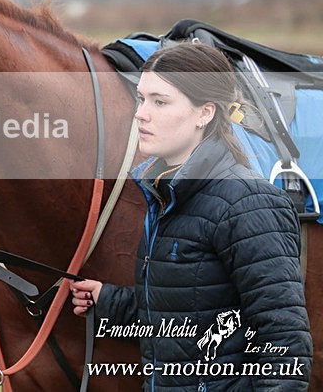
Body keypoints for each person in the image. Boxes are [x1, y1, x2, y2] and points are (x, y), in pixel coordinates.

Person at [71, 42, 312, 391]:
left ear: (205, 113)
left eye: (160, 102)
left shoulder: (249, 203)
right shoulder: (165, 197)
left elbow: (284, 341)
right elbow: (185, 312)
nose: (141, 114)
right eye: (141, 99)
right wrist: (109, 300)